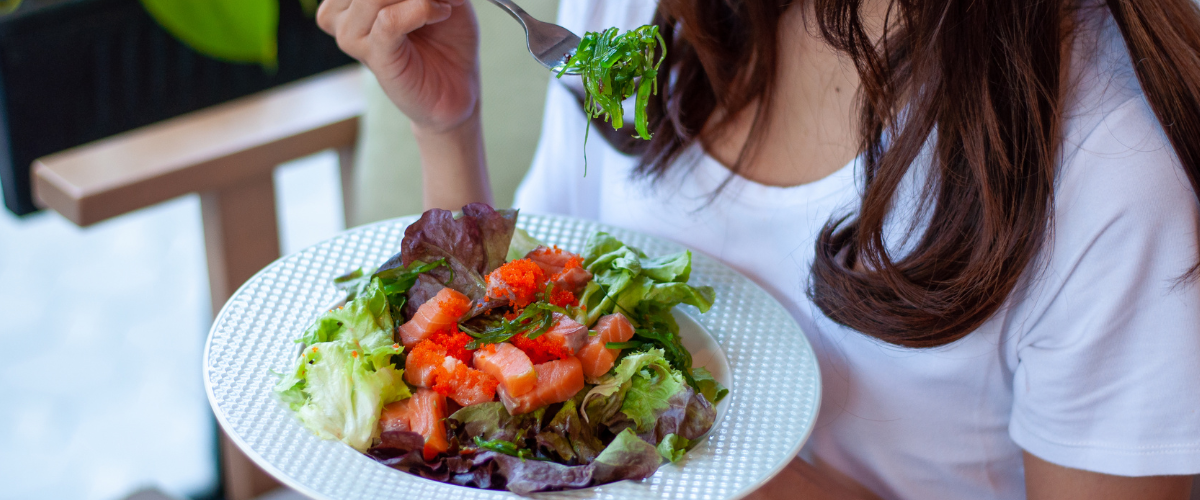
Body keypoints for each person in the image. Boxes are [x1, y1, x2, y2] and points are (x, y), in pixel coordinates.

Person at [315, 0, 1200, 498]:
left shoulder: (1107, 171)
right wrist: (449, 130)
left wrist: (673, 456)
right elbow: (517, 340)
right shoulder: (628, 16)